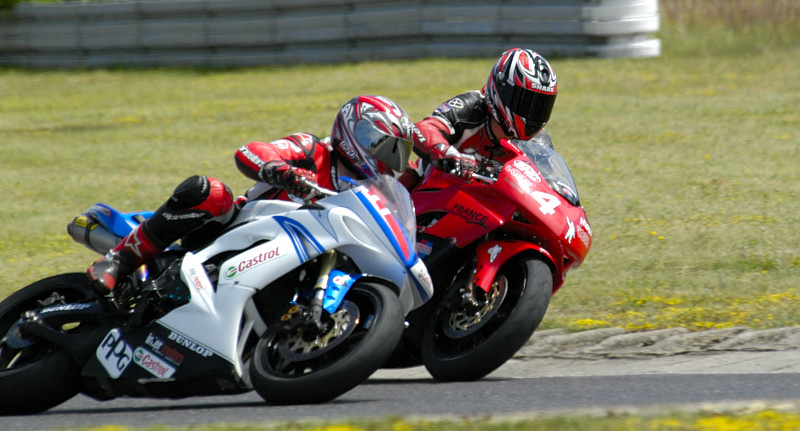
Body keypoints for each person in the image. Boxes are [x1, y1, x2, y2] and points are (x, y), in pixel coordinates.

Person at [87, 95, 417, 296]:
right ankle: (118, 261)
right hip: (240, 231)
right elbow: (253, 151)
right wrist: (283, 172)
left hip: (302, 254)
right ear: (357, 132)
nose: (392, 159)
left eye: (398, 152)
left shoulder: (370, 191)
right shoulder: (313, 149)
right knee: (210, 192)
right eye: (386, 147)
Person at [405, 47, 559, 186]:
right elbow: (423, 129)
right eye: (526, 103)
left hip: (487, 204)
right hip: (433, 190)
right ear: (503, 91)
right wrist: (448, 154)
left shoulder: (538, 142)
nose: (533, 113)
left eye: (541, 106)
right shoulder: (470, 107)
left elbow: (548, 186)